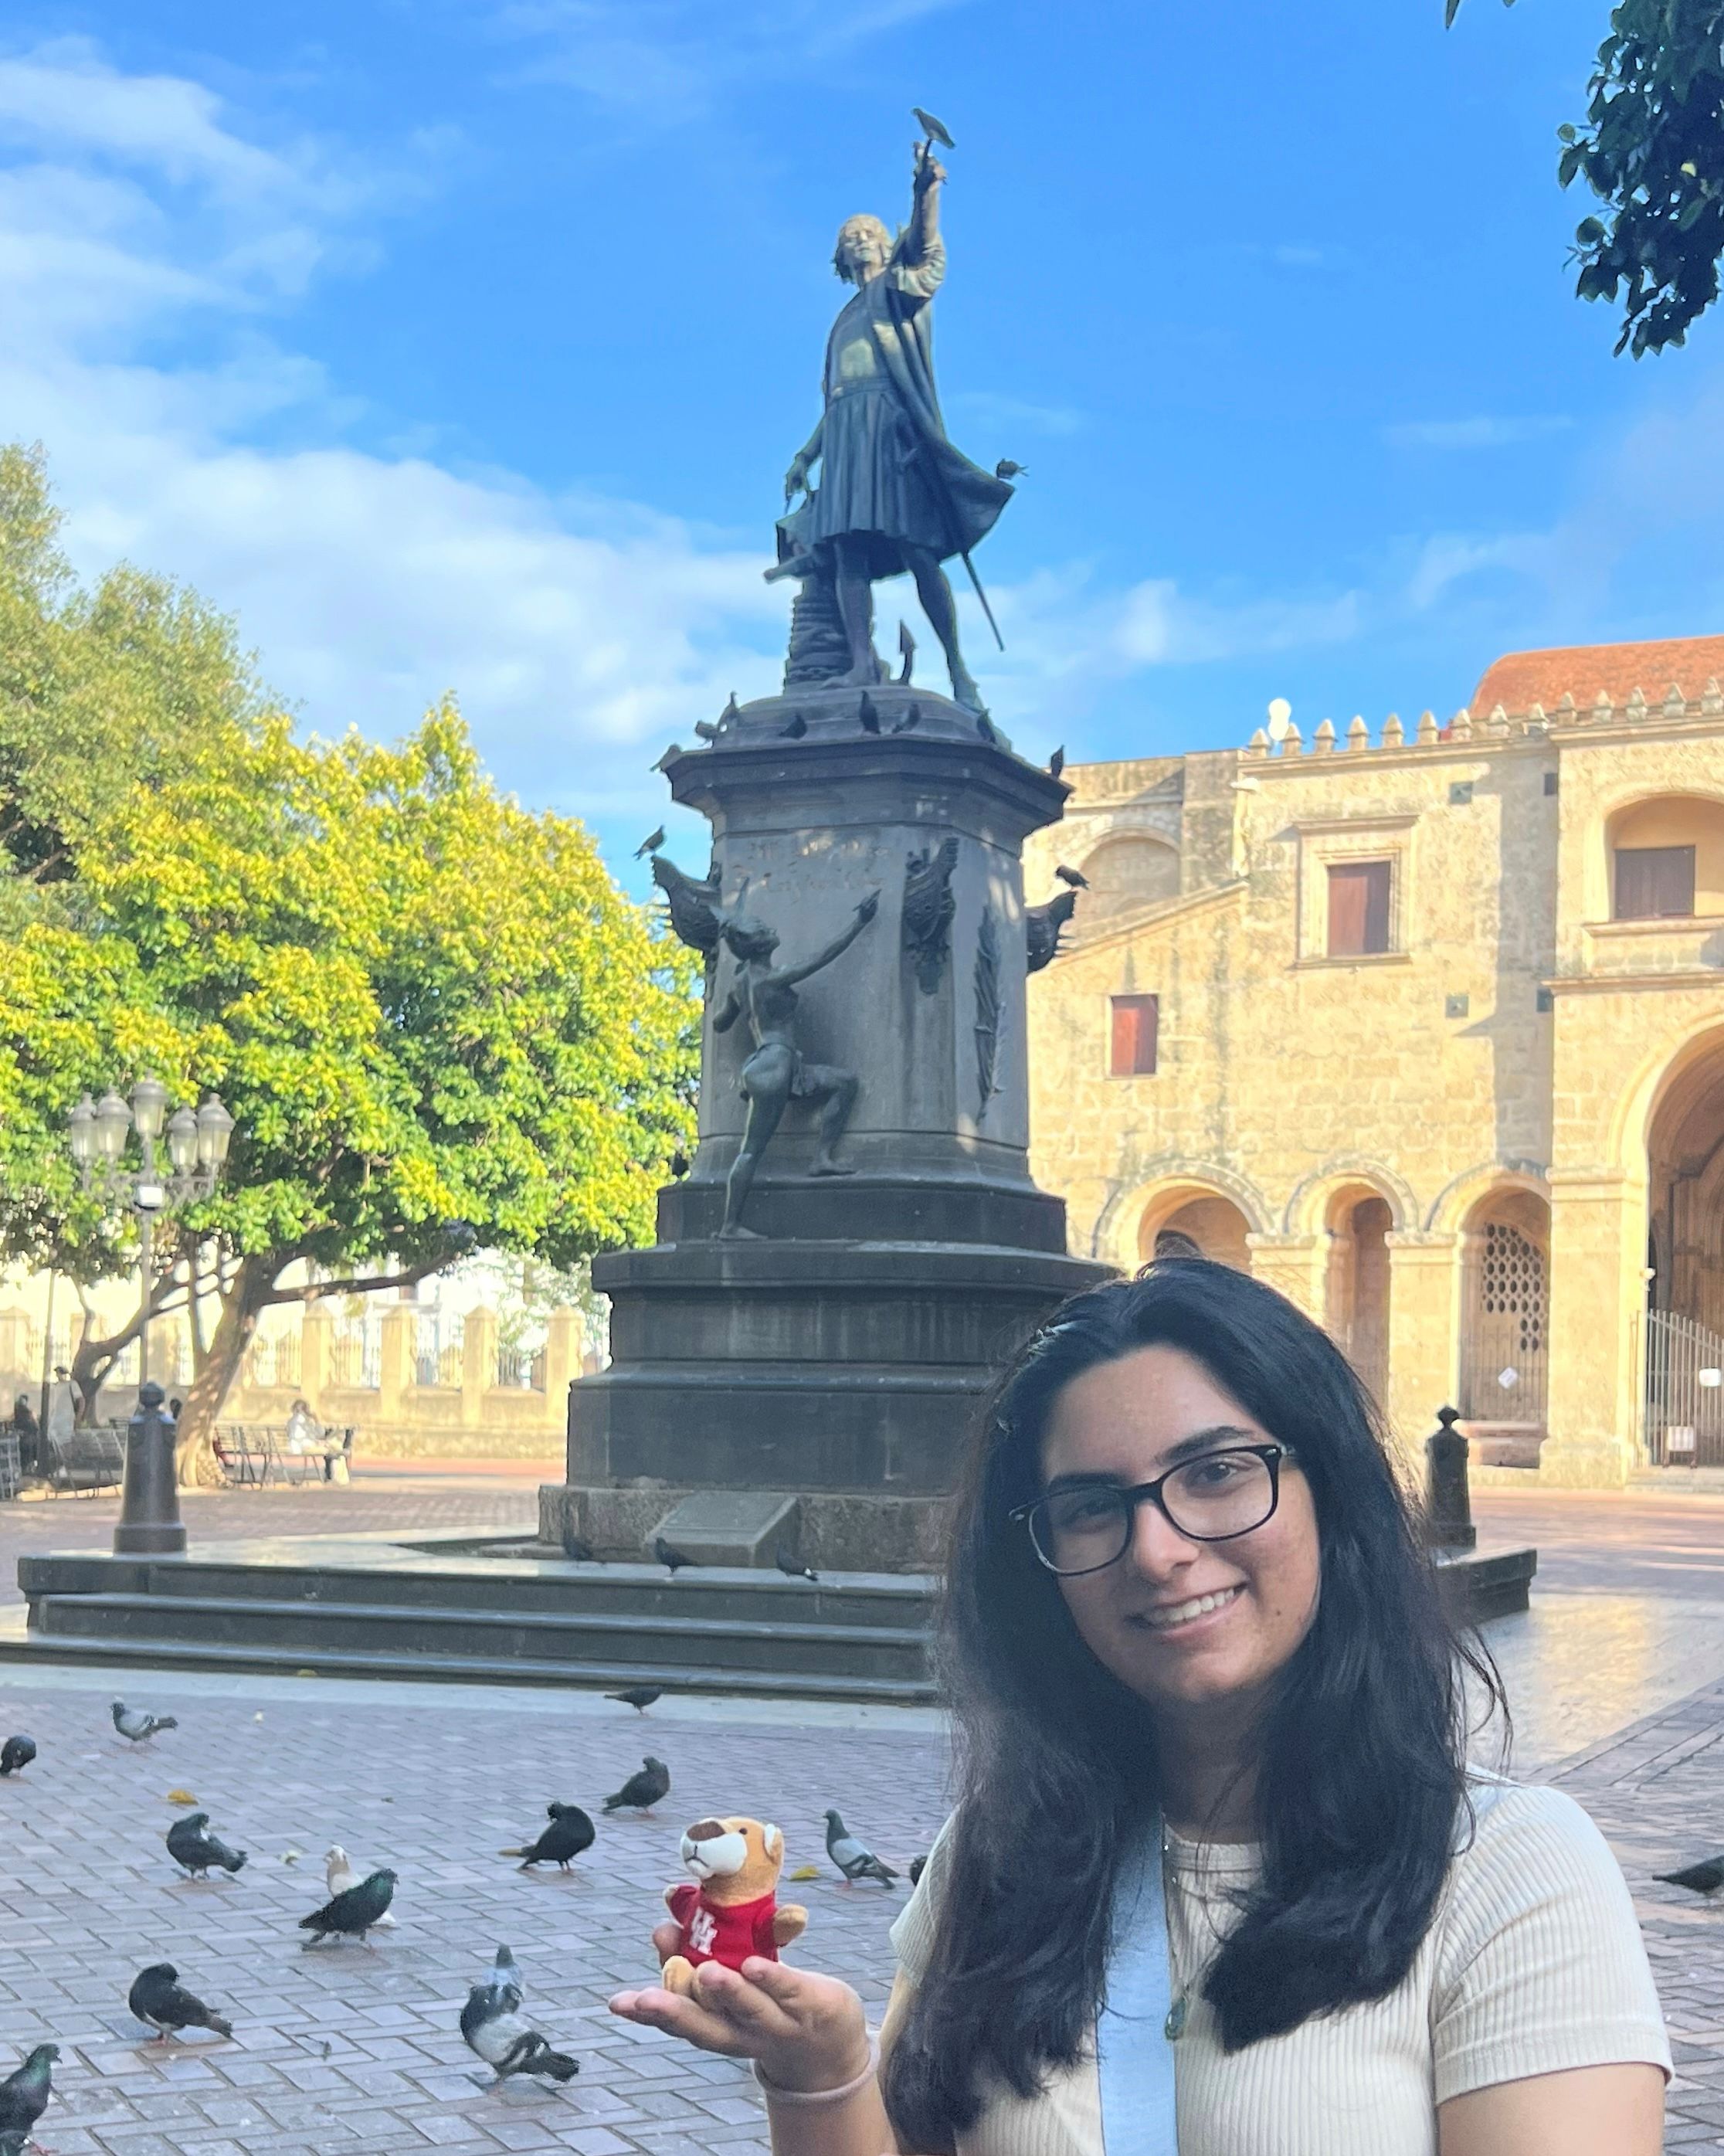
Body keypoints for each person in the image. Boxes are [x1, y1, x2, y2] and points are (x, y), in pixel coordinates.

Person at [610, 1262, 1669, 2154]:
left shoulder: (1509, 1875)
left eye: (1213, 1471)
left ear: (1329, 1490)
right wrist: (821, 2076)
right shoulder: (1002, 1850)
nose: (1159, 1547)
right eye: (1092, 1505)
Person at [774, 139, 1012, 714]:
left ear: (883, 243)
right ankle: (861, 661)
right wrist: (807, 455)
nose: (857, 239)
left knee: (915, 545)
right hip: (846, 435)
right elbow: (833, 403)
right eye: (848, 236)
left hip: (888, 429)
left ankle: (958, 668)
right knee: (847, 553)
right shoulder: (844, 319)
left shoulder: (899, 290)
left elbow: (926, 250)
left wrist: (925, 191)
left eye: (866, 232)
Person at [8, 1395, 38, 1477]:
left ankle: (25, 1469)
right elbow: (36, 1427)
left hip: (24, 1439)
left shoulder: (23, 1413)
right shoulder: (27, 1413)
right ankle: (26, 1468)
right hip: (26, 1440)